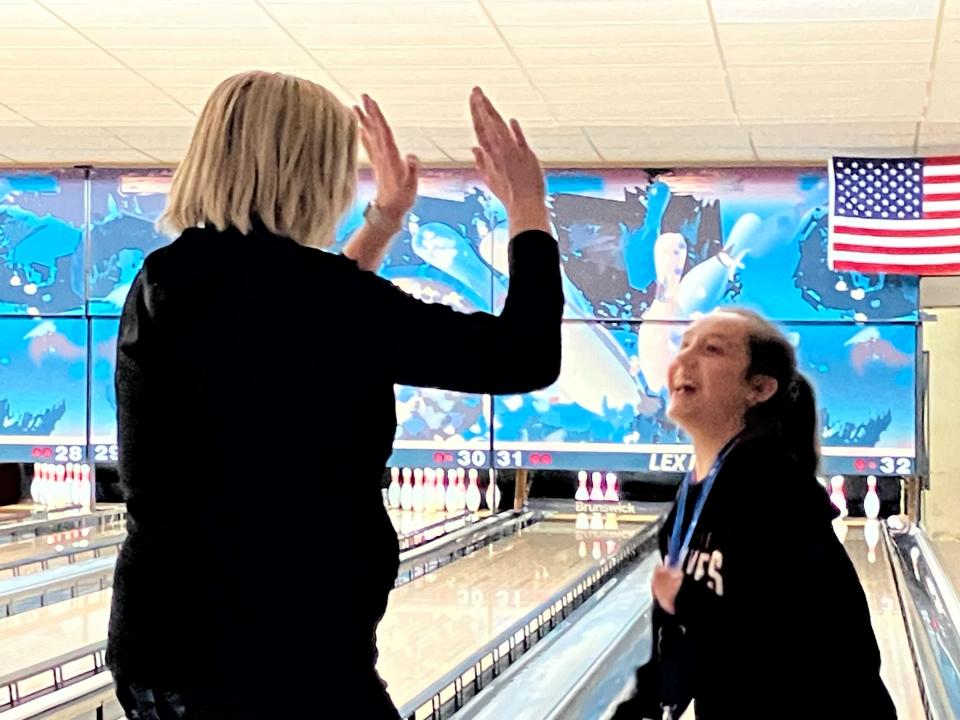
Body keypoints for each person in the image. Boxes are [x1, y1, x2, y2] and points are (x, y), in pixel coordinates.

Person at [105, 72, 562, 719]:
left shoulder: (164, 281)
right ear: (311, 174)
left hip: (163, 652)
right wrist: (527, 208)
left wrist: (383, 222)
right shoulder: (323, 301)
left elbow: (294, 326)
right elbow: (525, 354)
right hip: (284, 663)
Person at [613, 308, 896, 719]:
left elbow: (788, 645)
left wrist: (690, 610)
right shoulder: (689, 508)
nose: (684, 360)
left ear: (758, 388)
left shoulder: (776, 494)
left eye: (711, 349)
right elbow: (684, 642)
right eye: (684, 344)